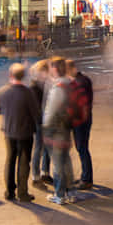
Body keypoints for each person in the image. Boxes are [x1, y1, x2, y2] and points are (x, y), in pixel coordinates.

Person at [0, 63, 41, 203]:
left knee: (10, 160)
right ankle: (22, 193)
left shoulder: (3, 91)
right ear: (24, 76)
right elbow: (36, 114)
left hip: (9, 131)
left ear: (10, 75)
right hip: (25, 132)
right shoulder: (28, 93)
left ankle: (9, 192)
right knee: (23, 162)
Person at [42, 59, 77, 202]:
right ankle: (71, 192)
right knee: (66, 160)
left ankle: (59, 194)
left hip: (56, 128)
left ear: (55, 69)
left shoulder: (58, 87)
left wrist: (45, 125)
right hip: (66, 126)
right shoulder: (69, 83)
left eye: (51, 67)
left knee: (57, 163)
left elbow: (51, 110)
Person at [66, 60, 95, 190]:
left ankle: (86, 179)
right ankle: (85, 176)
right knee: (82, 148)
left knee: (82, 148)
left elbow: (80, 103)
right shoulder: (83, 79)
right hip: (84, 118)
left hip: (81, 120)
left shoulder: (79, 82)